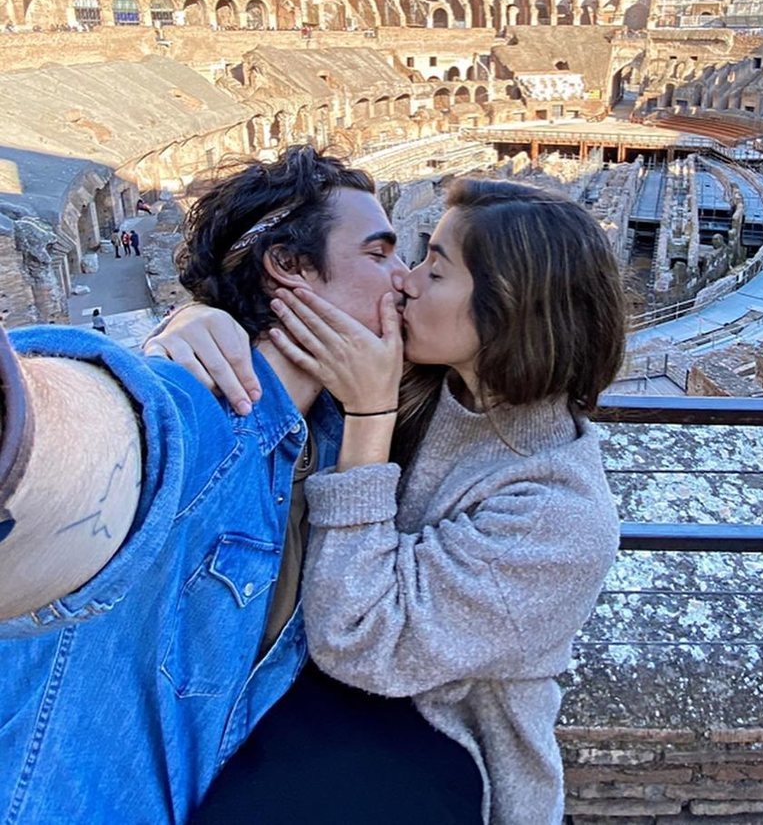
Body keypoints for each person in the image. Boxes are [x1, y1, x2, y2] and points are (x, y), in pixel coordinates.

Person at [160, 178, 624, 825]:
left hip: (434, 728)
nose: (405, 280)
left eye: (436, 269)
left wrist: (371, 417)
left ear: (509, 307)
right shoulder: (423, 381)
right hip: (315, 677)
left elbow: (359, 639)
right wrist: (199, 320)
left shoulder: (560, 515)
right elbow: (270, 336)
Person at [0, 147, 416, 824]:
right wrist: (22, 436)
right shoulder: (195, 406)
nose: (406, 279)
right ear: (286, 265)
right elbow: (107, 444)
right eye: (378, 254)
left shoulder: (345, 436)